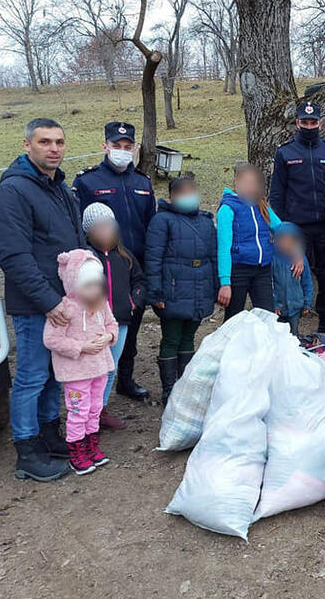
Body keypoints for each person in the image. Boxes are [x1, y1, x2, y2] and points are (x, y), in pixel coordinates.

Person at [0, 118, 86, 482]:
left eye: (60, 142)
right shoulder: (13, 192)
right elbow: (14, 257)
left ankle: (49, 433)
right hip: (36, 305)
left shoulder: (60, 188)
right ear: (27, 144)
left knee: (54, 375)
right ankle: (27, 450)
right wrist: (49, 301)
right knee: (32, 375)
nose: (54, 149)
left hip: (65, 301)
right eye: (45, 142)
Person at [73, 122, 155, 401]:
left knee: (129, 327)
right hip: (101, 267)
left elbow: (150, 224)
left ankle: (125, 379)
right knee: (99, 331)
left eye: (127, 146)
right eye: (116, 146)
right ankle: (95, 393)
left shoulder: (143, 183)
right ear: (105, 146)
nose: (122, 151)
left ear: (134, 148)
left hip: (135, 268)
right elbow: (78, 228)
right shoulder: (87, 181)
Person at [43, 249, 119, 475]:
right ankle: (77, 453)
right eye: (88, 285)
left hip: (100, 369)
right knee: (78, 411)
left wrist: (109, 336)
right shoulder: (65, 308)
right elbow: (51, 339)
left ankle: (92, 447)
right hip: (76, 373)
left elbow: (112, 324)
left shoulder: (101, 303)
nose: (94, 290)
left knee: (95, 408)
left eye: (97, 284)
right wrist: (80, 347)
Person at [270, 101, 325, 333]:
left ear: (321, 123)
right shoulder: (285, 152)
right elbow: (277, 193)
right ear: (297, 123)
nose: (309, 126)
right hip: (295, 226)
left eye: (313, 122)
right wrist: (283, 228)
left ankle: (324, 322)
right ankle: (291, 324)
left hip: (323, 227)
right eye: (305, 122)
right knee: (292, 271)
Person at [145, 173, 218, 403]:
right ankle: (169, 389)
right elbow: (153, 258)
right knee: (171, 338)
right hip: (173, 288)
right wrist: (155, 291)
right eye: (183, 193)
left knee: (189, 337)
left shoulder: (206, 222)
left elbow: (214, 256)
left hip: (200, 287)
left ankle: (184, 385)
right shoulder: (162, 221)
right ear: (173, 196)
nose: (189, 196)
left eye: (192, 192)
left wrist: (215, 286)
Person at [82, 203, 146, 430]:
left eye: (108, 226)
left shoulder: (125, 256)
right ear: (88, 231)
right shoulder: (84, 258)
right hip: (92, 326)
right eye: (98, 227)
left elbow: (139, 281)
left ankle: (101, 410)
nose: (105, 231)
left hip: (119, 322)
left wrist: (133, 302)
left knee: (110, 369)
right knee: (92, 371)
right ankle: (85, 414)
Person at [217, 164, 294, 321]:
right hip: (238, 270)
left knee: (268, 317)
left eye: (253, 183)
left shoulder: (261, 205)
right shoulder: (227, 209)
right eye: (245, 183)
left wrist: (296, 253)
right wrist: (225, 282)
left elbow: (281, 230)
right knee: (234, 319)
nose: (249, 187)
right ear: (236, 183)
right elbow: (223, 248)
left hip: (262, 270)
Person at [271, 222, 313, 336]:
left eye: (289, 240)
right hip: (279, 307)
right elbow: (270, 284)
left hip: (295, 306)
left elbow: (307, 282)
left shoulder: (301, 260)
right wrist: (273, 303)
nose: (285, 244)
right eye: (281, 240)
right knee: (278, 334)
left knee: (293, 334)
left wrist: (307, 303)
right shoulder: (273, 259)